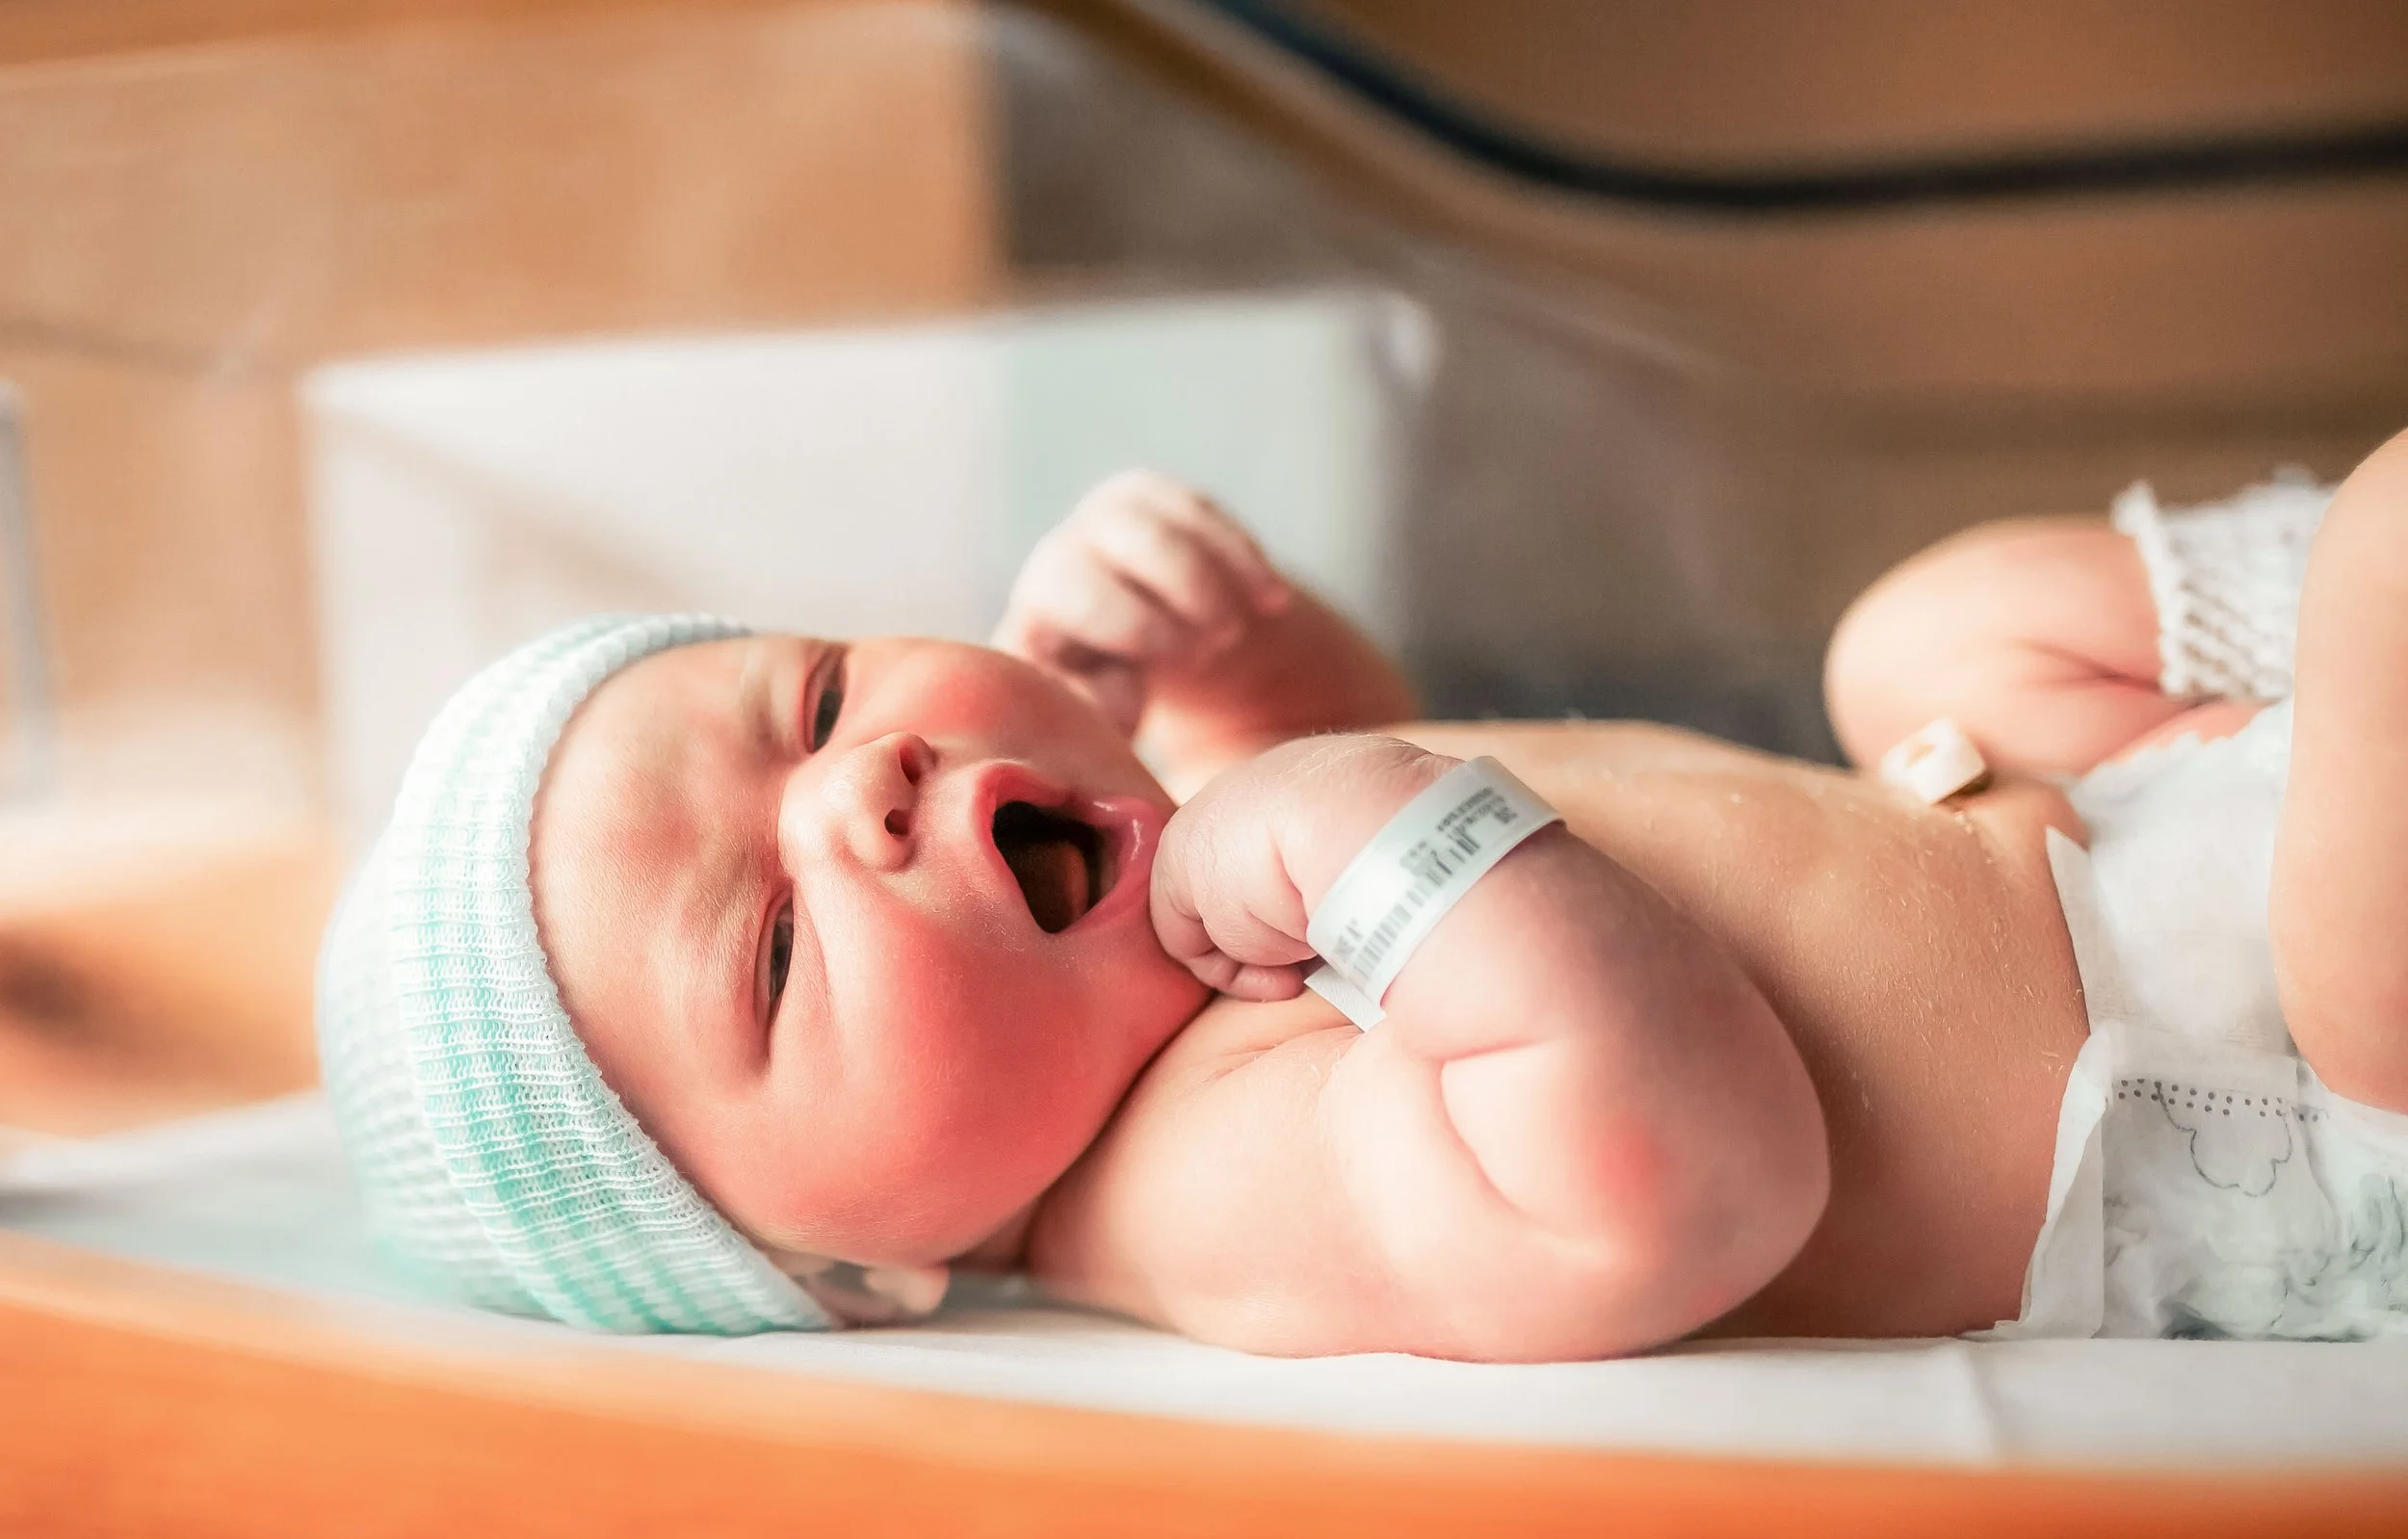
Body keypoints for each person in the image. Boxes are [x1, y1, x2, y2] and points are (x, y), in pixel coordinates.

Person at [316, 429, 2408, 1355]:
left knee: (1922, 636)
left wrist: (1238, 671)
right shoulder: (1190, 1178)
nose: (857, 789)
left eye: (820, 697)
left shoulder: (1173, 934)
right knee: (2387, 566)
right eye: (775, 949)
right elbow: (1676, 1183)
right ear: (852, 1272)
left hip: (2127, 847)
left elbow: (1367, 762)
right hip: (2275, 1105)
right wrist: (1349, 817)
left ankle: (2311, 698)